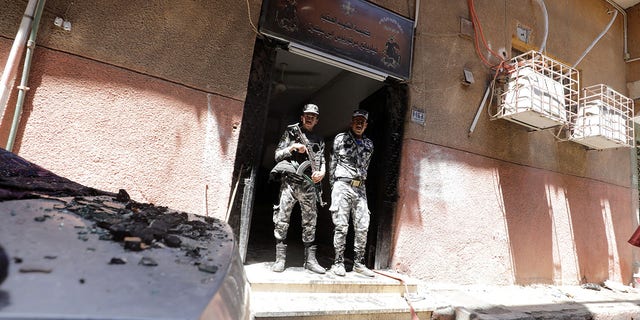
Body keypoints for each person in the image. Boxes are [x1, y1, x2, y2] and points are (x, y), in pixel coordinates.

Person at [270, 103, 326, 274]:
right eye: (307, 115)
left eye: (313, 116)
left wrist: (322, 173)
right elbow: (277, 155)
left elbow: (322, 160)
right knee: (282, 219)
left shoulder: (319, 139)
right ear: (302, 117)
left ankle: (310, 260)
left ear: (316, 120)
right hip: (290, 183)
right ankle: (280, 259)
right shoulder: (291, 132)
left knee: (310, 223)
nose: (309, 118)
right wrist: (293, 147)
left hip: (309, 185)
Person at [328, 109, 375, 277]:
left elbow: (366, 167)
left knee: (363, 226)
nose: (359, 124)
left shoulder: (369, 145)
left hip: (360, 188)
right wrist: (333, 186)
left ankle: (358, 263)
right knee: (341, 226)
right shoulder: (340, 139)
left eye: (362, 121)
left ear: (366, 125)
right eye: (357, 121)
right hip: (343, 185)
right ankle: (338, 263)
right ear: (351, 122)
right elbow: (332, 162)